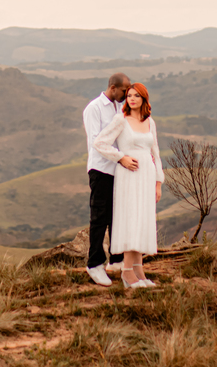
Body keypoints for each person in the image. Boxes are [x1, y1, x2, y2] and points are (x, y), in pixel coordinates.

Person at [92, 82, 163, 288]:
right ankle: (126, 272)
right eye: (129, 95)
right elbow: (100, 143)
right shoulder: (120, 120)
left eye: (136, 96)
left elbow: (155, 153)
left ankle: (139, 271)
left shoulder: (150, 122)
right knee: (132, 220)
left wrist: (158, 182)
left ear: (144, 99)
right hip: (129, 176)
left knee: (142, 220)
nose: (131, 99)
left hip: (147, 176)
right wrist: (121, 157)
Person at [83, 73, 132, 285]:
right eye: (124, 91)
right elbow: (97, 142)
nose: (126, 95)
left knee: (116, 216)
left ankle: (117, 259)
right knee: (99, 217)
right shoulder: (93, 108)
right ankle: (94, 264)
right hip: (100, 168)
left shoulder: (118, 108)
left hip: (117, 170)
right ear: (113, 87)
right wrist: (121, 158)